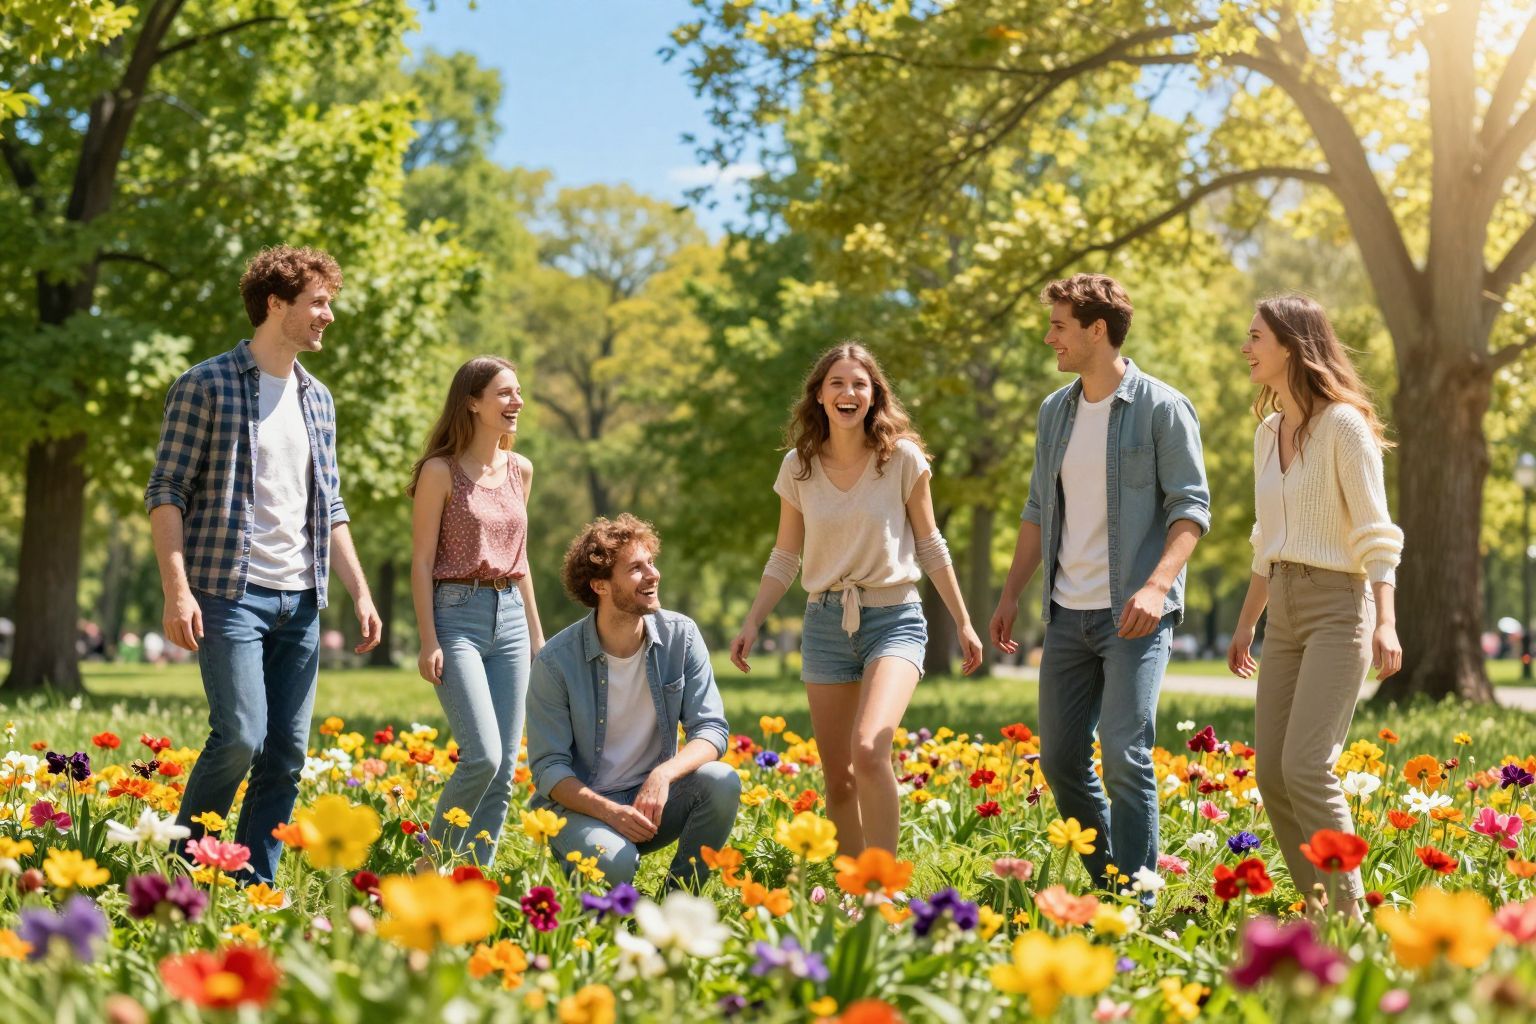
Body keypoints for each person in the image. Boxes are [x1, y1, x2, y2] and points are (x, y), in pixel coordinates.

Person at [146, 245, 381, 886]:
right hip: (228, 591)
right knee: (242, 735)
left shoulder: (318, 399)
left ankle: (252, 885)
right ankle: (182, 876)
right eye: (318, 302)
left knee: (287, 754)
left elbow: (329, 503)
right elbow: (166, 490)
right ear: (276, 304)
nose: (328, 315)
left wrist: (359, 591)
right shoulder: (206, 385)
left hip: (301, 597)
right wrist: (178, 591)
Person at [990, 274, 1211, 892]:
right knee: (1061, 760)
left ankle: (1138, 895)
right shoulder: (1054, 413)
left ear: (1097, 330)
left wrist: (1157, 587)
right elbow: (1039, 508)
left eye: (1059, 326)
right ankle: (1114, 880)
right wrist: (1011, 594)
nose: (1048, 337)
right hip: (1066, 614)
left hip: (1134, 614)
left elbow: (1191, 508)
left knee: (1124, 752)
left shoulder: (1162, 407)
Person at [731, 343, 983, 857]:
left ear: (874, 396)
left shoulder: (901, 460)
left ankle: (881, 886)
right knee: (839, 778)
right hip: (824, 623)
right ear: (819, 397)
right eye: (837, 383)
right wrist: (753, 622)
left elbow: (931, 544)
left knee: (870, 749)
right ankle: (851, 889)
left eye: (860, 384)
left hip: (895, 618)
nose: (849, 392)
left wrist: (963, 621)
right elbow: (785, 556)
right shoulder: (797, 468)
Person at [1227, 295, 1402, 918]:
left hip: (1338, 606)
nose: (1245, 349)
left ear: (1291, 345)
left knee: (1305, 764)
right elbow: (1265, 540)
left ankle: (1352, 919)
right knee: (1271, 773)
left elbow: (1375, 530)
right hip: (1286, 611)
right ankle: (1321, 910)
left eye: (1255, 337)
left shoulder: (1344, 426)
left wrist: (1384, 618)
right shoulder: (1267, 432)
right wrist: (1247, 623)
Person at [526, 514, 737, 889]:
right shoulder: (556, 662)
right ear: (600, 586)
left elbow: (711, 729)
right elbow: (549, 770)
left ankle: (677, 903)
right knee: (617, 865)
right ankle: (603, 902)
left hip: (649, 800)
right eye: (636, 568)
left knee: (721, 781)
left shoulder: (681, 637)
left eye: (651, 562)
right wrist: (608, 811)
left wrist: (663, 774)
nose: (653, 574)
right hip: (581, 807)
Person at [408, 356, 545, 866]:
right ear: (472, 402)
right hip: (456, 615)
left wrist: (536, 635)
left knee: (506, 767)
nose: (517, 402)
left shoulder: (521, 470)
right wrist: (428, 639)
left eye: (518, 391)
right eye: (505, 393)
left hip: (509, 616)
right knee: (482, 756)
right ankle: (430, 866)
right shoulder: (439, 472)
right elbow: (421, 562)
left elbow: (521, 558)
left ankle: (472, 882)